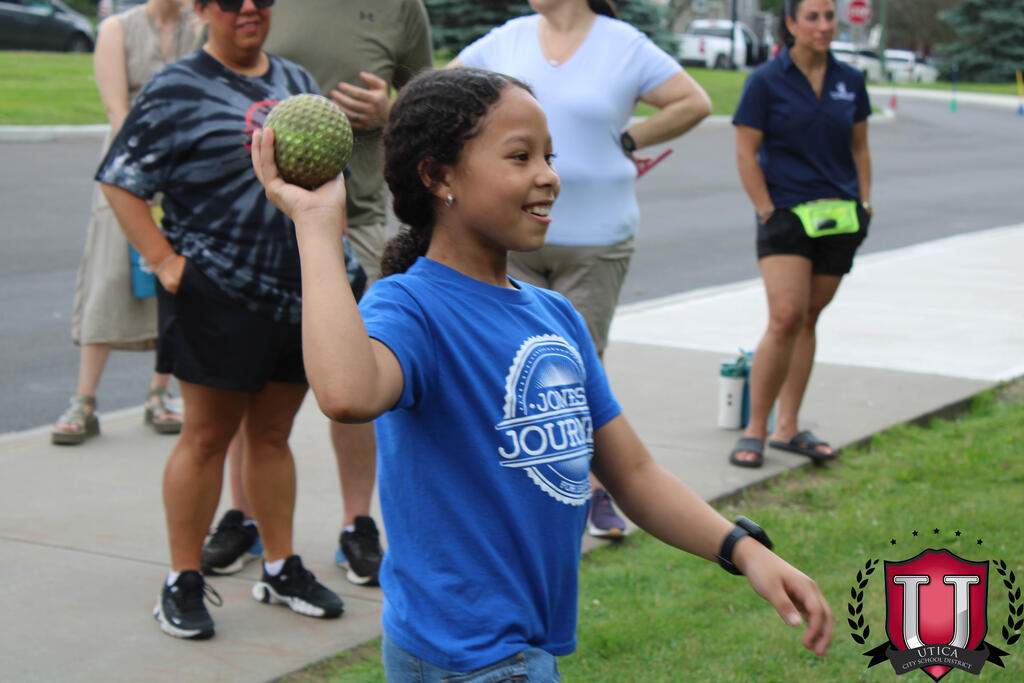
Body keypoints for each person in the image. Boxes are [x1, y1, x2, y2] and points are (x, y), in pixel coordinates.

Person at [253, 66, 832, 679]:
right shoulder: (411, 307)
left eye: (548, 156)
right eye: (520, 156)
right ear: (438, 176)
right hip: (471, 657)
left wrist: (742, 548)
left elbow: (632, 473)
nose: (549, 175)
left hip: (520, 646)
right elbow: (346, 393)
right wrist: (317, 226)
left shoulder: (554, 316)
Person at [96, 0, 356, 640]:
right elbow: (121, 179)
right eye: (231, 0)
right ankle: (182, 579)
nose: (249, 9)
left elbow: (328, 172)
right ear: (201, 9)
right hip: (216, 291)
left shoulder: (295, 81)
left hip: (295, 291)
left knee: (272, 436)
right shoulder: (176, 85)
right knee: (207, 437)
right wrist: (165, 261)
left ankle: (279, 566)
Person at [449, 0, 713, 538]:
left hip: (596, 239)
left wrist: (630, 139)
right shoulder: (508, 38)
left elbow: (694, 101)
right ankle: (517, 488)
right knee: (507, 370)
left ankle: (591, 491)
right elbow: (440, 92)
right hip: (514, 237)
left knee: (573, 372)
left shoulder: (623, 44)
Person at [200, 0, 433, 586]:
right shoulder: (259, 2)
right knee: (250, 378)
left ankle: (357, 522)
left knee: (357, 372)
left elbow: (428, 109)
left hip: (358, 215)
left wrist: (389, 111)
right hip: (255, 221)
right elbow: (217, 75)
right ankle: (245, 513)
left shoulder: (401, 7)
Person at [729, 0, 872, 468]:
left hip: (840, 217)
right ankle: (755, 428)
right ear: (791, 24)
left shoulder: (850, 80)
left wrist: (865, 203)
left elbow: (859, 146)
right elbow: (746, 152)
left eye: (829, 16)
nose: (824, 25)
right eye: (812, 17)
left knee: (809, 318)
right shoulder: (765, 81)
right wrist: (766, 211)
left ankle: (788, 428)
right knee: (785, 318)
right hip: (786, 215)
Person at [51, 0, 196, 446]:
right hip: (126, 168)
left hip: (186, 170)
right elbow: (118, 113)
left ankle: (159, 393)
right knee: (109, 276)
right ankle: (84, 399)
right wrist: (143, 177)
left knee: (173, 282)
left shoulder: (201, 26)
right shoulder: (117, 29)